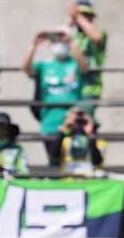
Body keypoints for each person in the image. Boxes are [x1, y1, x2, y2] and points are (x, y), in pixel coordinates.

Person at [22, 29, 89, 167]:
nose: (58, 44)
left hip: (73, 120)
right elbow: (26, 68)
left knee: (74, 159)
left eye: (61, 40)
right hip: (50, 120)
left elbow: (84, 66)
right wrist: (33, 44)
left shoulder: (73, 63)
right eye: (54, 40)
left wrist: (70, 42)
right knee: (54, 160)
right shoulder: (44, 65)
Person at [67, 0, 107, 104]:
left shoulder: (100, 33)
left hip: (90, 88)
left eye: (86, 15)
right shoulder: (71, 34)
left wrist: (78, 16)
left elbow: (96, 37)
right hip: (70, 86)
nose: (83, 18)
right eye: (81, 15)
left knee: (83, 117)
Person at [56, 106, 106, 177]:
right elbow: (54, 157)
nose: (79, 125)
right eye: (76, 122)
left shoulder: (99, 141)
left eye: (83, 122)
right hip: (68, 180)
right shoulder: (65, 139)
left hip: (90, 181)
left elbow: (97, 162)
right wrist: (62, 132)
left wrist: (90, 136)